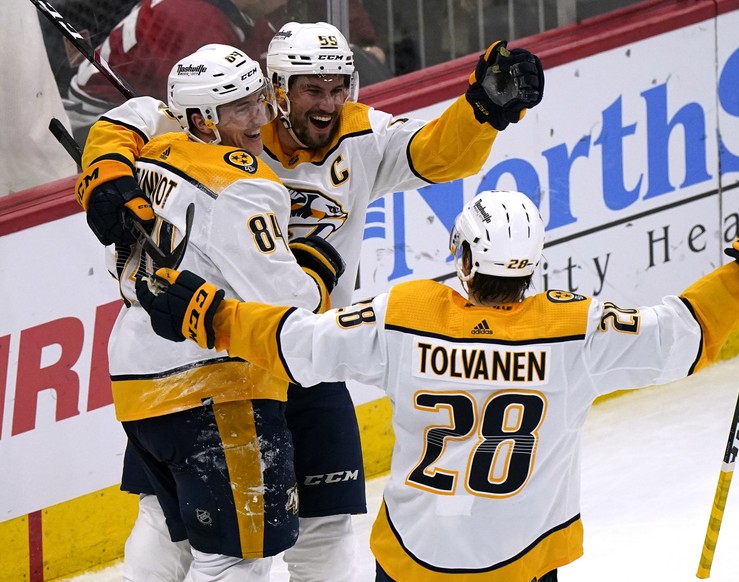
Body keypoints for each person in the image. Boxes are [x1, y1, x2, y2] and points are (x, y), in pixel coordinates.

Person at [134, 189, 739, 581]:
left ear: (462, 255)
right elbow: (681, 334)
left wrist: (208, 312)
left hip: (415, 561)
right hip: (520, 563)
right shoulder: (574, 329)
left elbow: (295, 343)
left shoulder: (404, 314)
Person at [74, 22, 544, 581]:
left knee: (325, 531)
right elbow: (136, 116)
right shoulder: (235, 127)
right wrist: (105, 166)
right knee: (171, 527)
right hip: (228, 362)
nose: (329, 103)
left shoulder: (356, 135)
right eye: (312, 90)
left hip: (308, 359)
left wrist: (481, 110)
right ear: (277, 87)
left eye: (338, 86)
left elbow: (437, 155)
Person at [100, 43, 345, 580]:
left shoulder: (144, 156)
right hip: (216, 391)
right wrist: (316, 270)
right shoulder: (243, 186)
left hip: (140, 386)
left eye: (258, 99)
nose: (260, 118)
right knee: (238, 559)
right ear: (200, 120)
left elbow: (129, 114)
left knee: (163, 531)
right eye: (240, 109)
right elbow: (288, 310)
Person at [65, 0, 287, 142]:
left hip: (150, 108)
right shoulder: (193, 19)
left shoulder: (238, 12)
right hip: (100, 122)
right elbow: (206, 115)